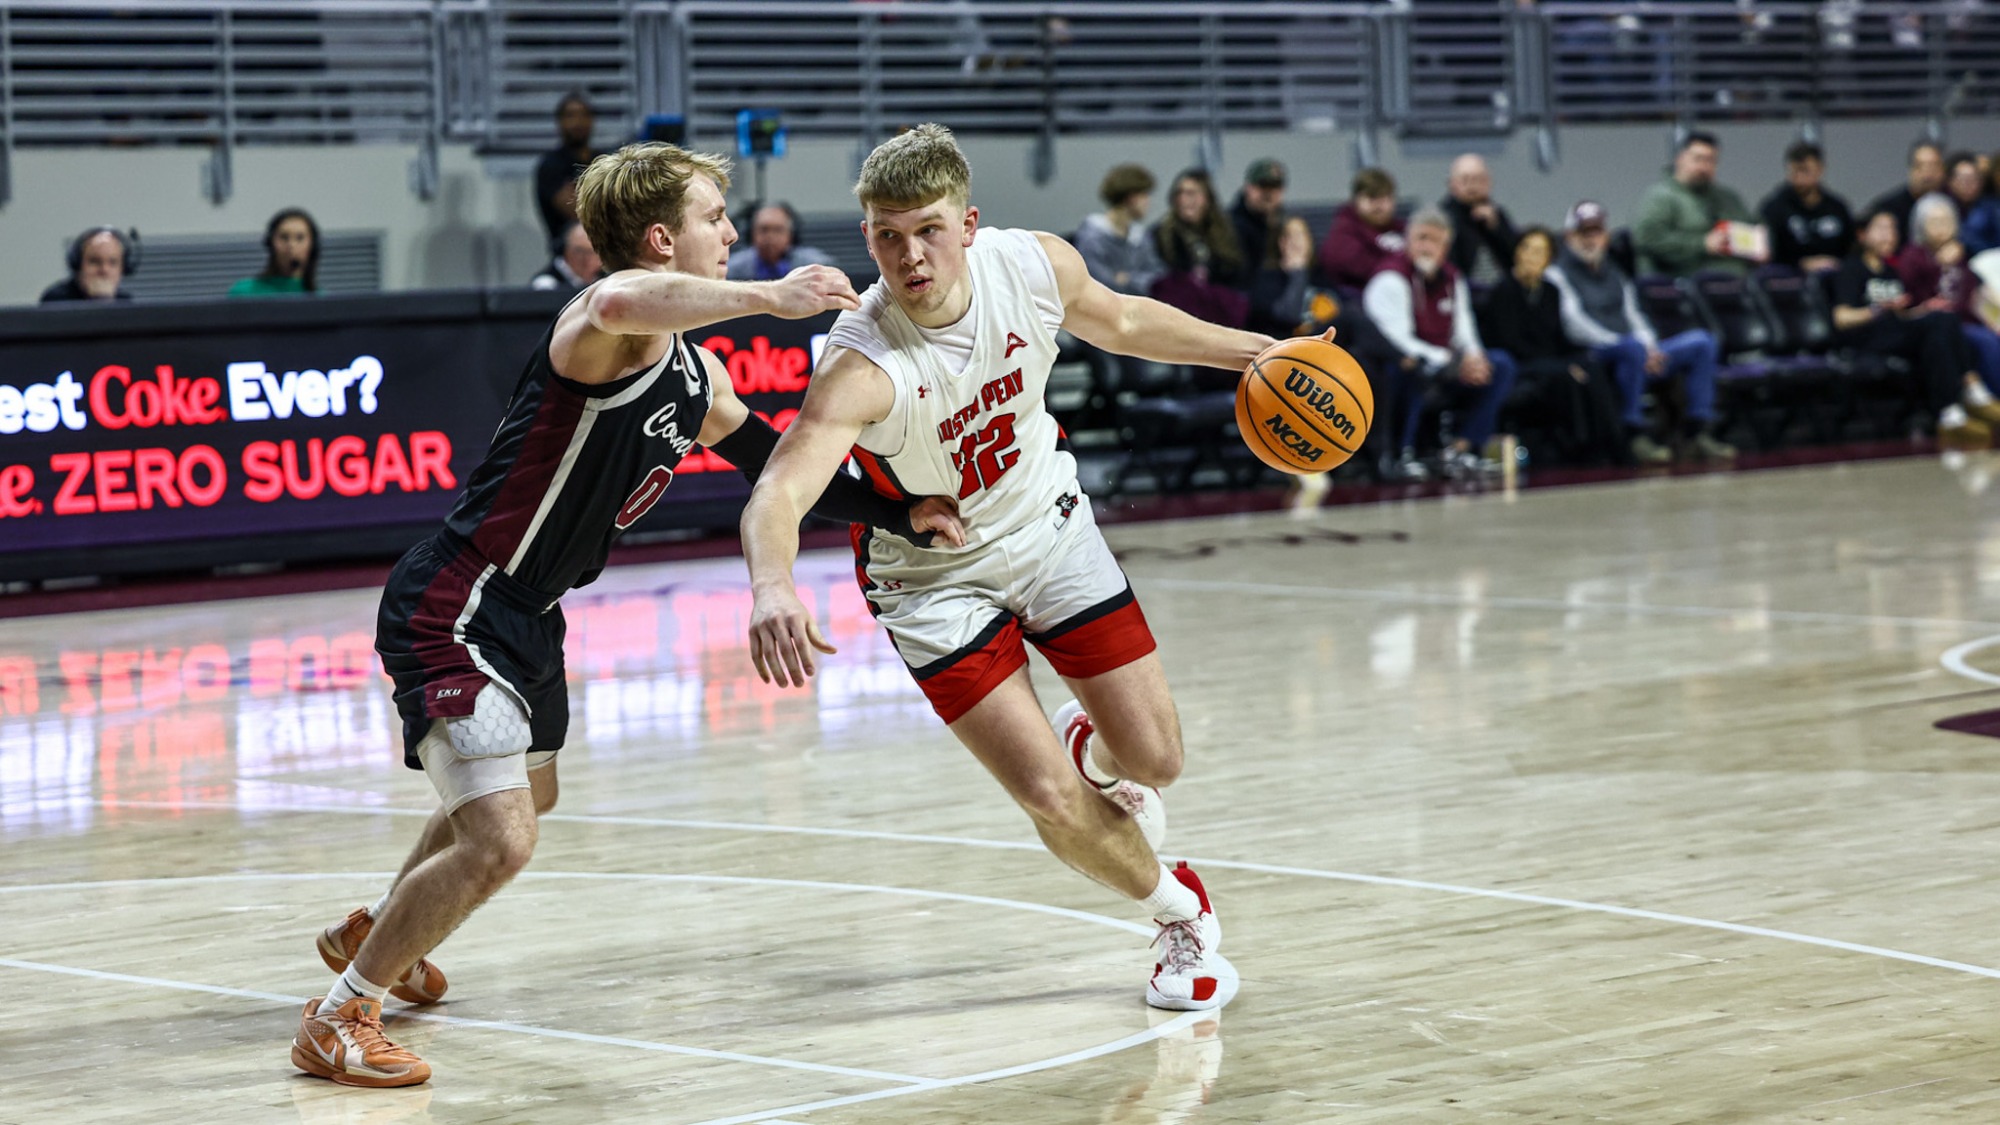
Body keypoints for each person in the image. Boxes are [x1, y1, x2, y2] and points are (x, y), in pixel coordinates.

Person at [290, 141, 962, 1089]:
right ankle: (340, 1014)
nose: (730, 231)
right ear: (659, 238)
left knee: (527, 802)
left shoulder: (695, 375)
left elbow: (774, 464)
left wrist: (900, 512)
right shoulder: (600, 324)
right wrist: (770, 296)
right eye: (713, 218)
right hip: (460, 599)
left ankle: (378, 930)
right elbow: (621, 302)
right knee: (503, 836)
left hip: (531, 613)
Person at [740, 123, 1279, 1020]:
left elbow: (1127, 320)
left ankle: (1093, 746)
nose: (910, 255)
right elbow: (779, 490)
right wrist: (771, 585)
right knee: (1046, 796)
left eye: (929, 229)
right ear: (867, 236)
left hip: (1047, 525)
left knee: (1156, 759)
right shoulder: (860, 362)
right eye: (887, 235)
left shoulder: (1031, 267)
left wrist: (1255, 351)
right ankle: (1177, 913)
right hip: (931, 579)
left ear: (969, 224)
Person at [1548, 201, 1736, 465]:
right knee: (1631, 349)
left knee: (1702, 342)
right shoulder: (1557, 274)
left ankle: (1696, 431)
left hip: (1636, 351)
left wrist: (1650, 348)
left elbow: (1635, 315)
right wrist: (1626, 344)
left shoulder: (1615, 272)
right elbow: (1574, 324)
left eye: (1596, 232)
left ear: (1606, 236)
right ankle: (1634, 434)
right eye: (1583, 233)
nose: (1591, 240)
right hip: (1595, 355)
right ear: (1569, 236)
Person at [1361, 206, 1519, 479]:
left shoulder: (1452, 278)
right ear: (1408, 240)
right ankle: (1401, 454)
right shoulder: (1390, 278)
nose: (1427, 247)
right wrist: (1451, 362)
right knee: (1412, 367)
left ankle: (1461, 449)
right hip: (1403, 365)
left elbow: (1465, 330)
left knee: (1501, 365)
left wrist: (1474, 357)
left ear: (1446, 247)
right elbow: (1397, 341)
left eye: (1435, 241)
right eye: (1421, 238)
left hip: (1445, 366)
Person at [1832, 208, 1995, 447]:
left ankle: (1953, 411)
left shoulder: (1890, 270)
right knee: (1937, 328)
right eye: (1882, 229)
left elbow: (1902, 315)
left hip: (1896, 333)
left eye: (1893, 229)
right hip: (1867, 338)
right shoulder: (1852, 268)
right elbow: (1841, 318)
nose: (1889, 235)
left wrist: (1923, 309)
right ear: (1862, 235)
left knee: (1944, 320)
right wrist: (1878, 309)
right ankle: (1966, 394)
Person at [1478, 227, 1627, 466]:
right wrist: (1563, 364)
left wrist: (1579, 357)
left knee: (1592, 366)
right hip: (1520, 363)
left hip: (1549, 361)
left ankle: (1612, 444)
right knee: (1566, 375)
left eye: (1540, 252)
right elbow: (1510, 342)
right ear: (1517, 253)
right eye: (1527, 249)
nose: (1531, 256)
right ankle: (1578, 447)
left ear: (1548, 260)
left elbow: (1558, 338)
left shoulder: (1550, 291)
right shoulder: (1503, 290)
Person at [1898, 193, 2000, 401]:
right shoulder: (1913, 255)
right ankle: (1991, 398)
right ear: (1920, 225)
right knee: (1985, 341)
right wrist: (1940, 265)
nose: (1941, 227)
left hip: (1968, 318)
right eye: (1934, 222)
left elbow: (1972, 293)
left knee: (1991, 333)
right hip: (1935, 322)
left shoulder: (1960, 254)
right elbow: (1912, 297)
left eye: (1946, 221)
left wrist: (1993, 320)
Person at [1632, 131, 1764, 278]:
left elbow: (1754, 227)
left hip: (1735, 279)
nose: (1704, 167)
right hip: (1681, 279)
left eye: (1711, 161)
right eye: (1698, 159)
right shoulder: (1660, 197)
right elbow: (1648, 239)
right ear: (1680, 159)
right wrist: (1702, 244)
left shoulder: (1729, 198)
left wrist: (1760, 246)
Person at [1148, 167, 1248, 326]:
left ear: (1207, 198)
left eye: (1192, 193)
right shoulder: (1161, 234)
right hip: (1178, 315)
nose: (1185, 199)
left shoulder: (1226, 233)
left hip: (1220, 316)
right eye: (1180, 193)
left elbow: (1236, 274)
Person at [1758, 141, 1854, 272]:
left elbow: (1850, 248)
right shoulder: (1775, 208)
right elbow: (1768, 253)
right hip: (1789, 277)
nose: (1799, 178)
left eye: (1805, 171)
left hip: (1835, 275)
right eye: (1794, 171)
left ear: (1820, 169)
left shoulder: (1837, 209)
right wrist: (1801, 264)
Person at [1074, 162, 1165, 297]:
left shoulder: (1141, 238)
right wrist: (1134, 280)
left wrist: (1128, 279)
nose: (1148, 202)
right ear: (1132, 198)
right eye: (1145, 195)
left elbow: (1157, 278)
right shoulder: (1091, 238)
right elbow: (1099, 283)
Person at [1319, 167, 1406, 292]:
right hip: (1356, 298)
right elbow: (1360, 267)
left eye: (1385, 197)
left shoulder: (1404, 230)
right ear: (1356, 200)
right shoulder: (1343, 233)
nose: (1379, 205)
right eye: (1372, 197)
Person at [1439, 153, 1520, 286]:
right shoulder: (1443, 217)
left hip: (1502, 290)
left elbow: (1518, 256)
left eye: (1478, 180)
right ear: (1452, 184)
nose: (1472, 186)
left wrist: (1496, 227)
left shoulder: (1498, 215)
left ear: (1489, 182)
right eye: (1465, 180)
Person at [533, 91, 603, 242]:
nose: (578, 121)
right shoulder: (551, 165)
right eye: (571, 115)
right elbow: (579, 211)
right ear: (560, 121)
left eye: (584, 115)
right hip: (570, 249)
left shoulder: (603, 160)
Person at [725, 201, 836, 280]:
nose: (770, 237)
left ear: (791, 235)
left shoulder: (817, 266)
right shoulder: (731, 270)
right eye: (764, 230)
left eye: (778, 230)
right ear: (751, 234)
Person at [1865, 140, 1945, 246]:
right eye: (1920, 166)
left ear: (1942, 170)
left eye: (1933, 166)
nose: (1927, 173)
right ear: (1911, 170)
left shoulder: (1953, 204)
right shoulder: (1888, 208)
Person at [229, 208, 318, 297]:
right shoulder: (244, 292)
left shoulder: (320, 297)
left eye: (300, 238)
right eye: (284, 237)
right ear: (271, 244)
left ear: (312, 246)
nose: (291, 245)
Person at [1228, 156, 1290, 280]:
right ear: (1248, 188)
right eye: (1263, 186)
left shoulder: (1286, 224)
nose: (1268, 194)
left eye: (1274, 187)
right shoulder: (1232, 226)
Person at [39, 227, 136, 303]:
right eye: (95, 261)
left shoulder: (125, 302)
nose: (104, 270)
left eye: (113, 263)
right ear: (78, 265)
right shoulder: (56, 300)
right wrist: (99, 301)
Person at [528, 220, 603, 294]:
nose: (589, 260)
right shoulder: (546, 284)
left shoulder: (601, 279)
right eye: (580, 251)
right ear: (564, 250)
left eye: (595, 252)